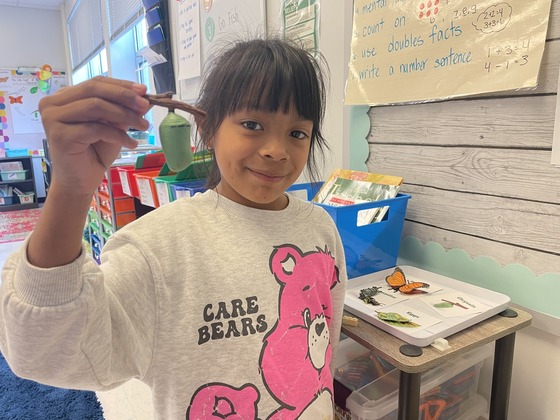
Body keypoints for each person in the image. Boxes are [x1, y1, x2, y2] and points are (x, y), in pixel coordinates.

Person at [0, 38, 348, 419]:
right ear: (208, 128)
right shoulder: (159, 246)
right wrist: (70, 188)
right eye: (252, 125)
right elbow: (43, 349)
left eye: (297, 133)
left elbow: (324, 348)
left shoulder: (320, 229)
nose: (276, 150)